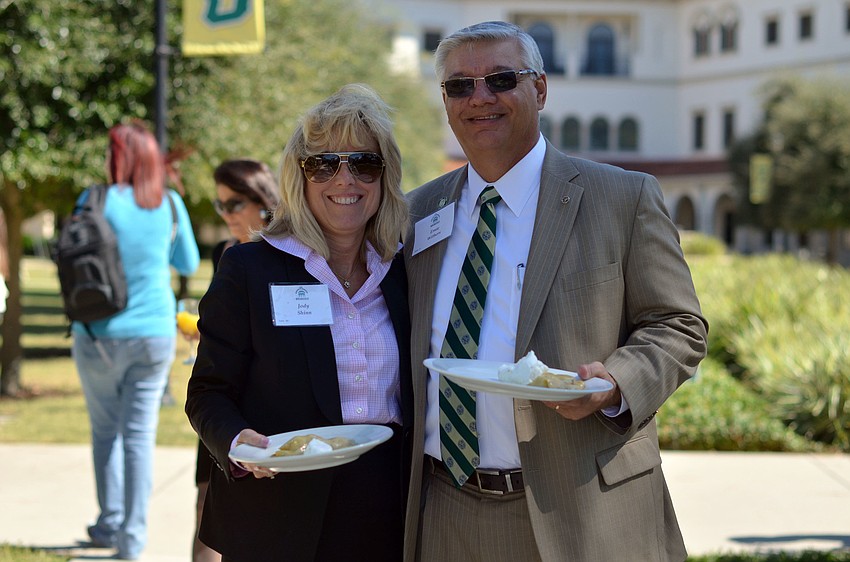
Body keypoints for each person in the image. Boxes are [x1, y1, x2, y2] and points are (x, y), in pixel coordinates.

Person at [402, 21, 708, 562]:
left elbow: (678, 325)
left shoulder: (622, 198)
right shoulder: (418, 212)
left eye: (500, 79)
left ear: (539, 89)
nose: (480, 99)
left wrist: (616, 382)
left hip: (579, 513)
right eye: (459, 86)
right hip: (444, 511)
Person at [185, 83, 413, 562]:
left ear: (385, 176)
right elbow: (207, 393)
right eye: (324, 163)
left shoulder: (406, 271)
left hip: (388, 507)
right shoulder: (250, 269)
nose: (345, 180)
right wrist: (236, 441)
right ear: (299, 175)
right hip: (277, 509)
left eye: (364, 163)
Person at [73, 120, 200, 560]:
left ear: (116, 158)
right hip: (153, 334)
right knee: (138, 436)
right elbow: (187, 260)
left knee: (105, 432)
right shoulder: (168, 204)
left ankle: (107, 524)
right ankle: (132, 538)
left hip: (96, 333)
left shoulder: (94, 199)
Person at [191, 158, 280, 562]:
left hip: (259, 408)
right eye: (220, 206)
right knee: (206, 504)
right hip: (220, 399)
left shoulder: (284, 253)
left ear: (261, 201)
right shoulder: (224, 252)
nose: (226, 215)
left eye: (234, 204)